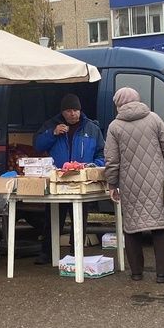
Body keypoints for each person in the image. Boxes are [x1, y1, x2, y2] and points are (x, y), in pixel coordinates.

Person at [103, 86, 164, 283]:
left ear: (118, 104)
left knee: (132, 227)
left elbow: (111, 160)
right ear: (138, 99)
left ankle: (136, 273)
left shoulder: (115, 126)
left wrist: (112, 184)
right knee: (160, 226)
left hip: (129, 184)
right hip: (156, 181)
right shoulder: (154, 119)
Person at [29, 93, 105, 264]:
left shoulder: (91, 128)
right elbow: (38, 145)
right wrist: (52, 133)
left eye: (76, 110)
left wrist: (94, 165)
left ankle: (76, 252)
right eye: (69, 110)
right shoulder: (51, 125)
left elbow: (102, 152)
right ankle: (47, 253)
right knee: (53, 218)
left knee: (80, 218)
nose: (73, 114)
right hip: (58, 180)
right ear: (63, 112)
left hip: (82, 180)